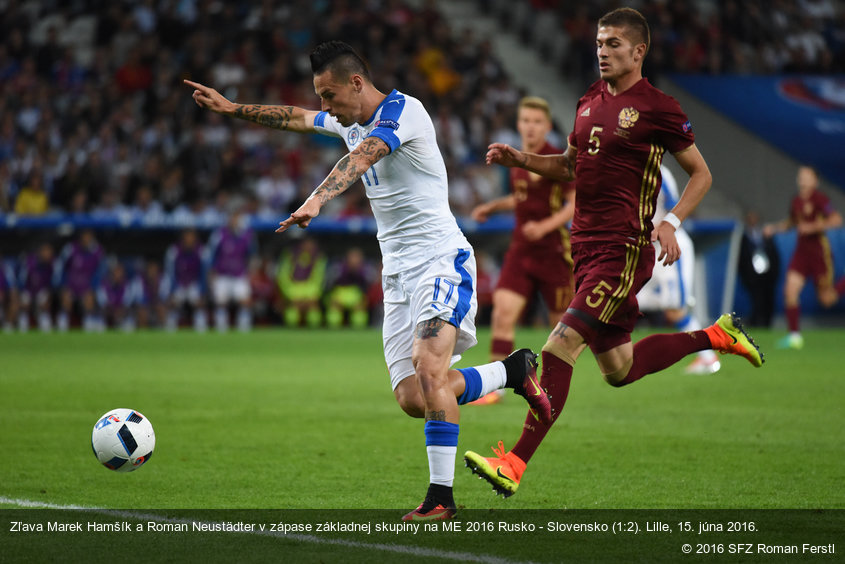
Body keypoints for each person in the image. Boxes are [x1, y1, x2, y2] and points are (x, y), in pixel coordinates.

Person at [185, 40, 552, 521]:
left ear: (356, 83)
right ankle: (511, 372)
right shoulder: (347, 117)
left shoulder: (405, 112)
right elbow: (296, 117)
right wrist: (233, 109)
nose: (325, 106)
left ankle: (441, 499)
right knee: (413, 397)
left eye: (329, 94)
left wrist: (318, 198)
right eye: (321, 96)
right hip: (398, 273)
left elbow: (366, 155)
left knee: (428, 366)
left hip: (441, 260)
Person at [464, 7, 764, 499]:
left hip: (622, 250)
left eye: (613, 44)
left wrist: (670, 221)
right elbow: (569, 167)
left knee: (558, 345)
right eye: (599, 43)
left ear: (638, 51)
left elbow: (701, 173)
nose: (602, 51)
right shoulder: (587, 101)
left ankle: (514, 463)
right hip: (584, 250)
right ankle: (717, 335)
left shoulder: (658, 107)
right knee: (619, 370)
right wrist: (522, 159)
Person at [469, 96, 576, 404]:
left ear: (546, 126)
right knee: (503, 313)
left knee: (562, 329)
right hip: (521, 251)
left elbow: (573, 204)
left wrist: (544, 227)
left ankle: (551, 386)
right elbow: (521, 198)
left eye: (536, 121)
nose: (530, 127)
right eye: (525, 121)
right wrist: (493, 206)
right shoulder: (515, 160)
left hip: (554, 253)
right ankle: (494, 388)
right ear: (518, 124)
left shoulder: (558, 161)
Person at [636, 165, 721, 374]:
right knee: (628, 303)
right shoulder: (622, 171)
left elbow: (674, 207)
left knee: (675, 310)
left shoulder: (658, 173)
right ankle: (619, 358)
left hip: (668, 245)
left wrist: (658, 229)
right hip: (644, 250)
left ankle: (709, 356)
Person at [763, 165, 845, 349]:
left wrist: (814, 226)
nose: (802, 179)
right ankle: (794, 337)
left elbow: (837, 220)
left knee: (827, 299)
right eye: (801, 176)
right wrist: (774, 229)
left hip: (818, 253)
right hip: (801, 252)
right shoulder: (797, 201)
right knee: (790, 291)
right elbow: (791, 223)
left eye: (807, 176)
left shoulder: (820, 199)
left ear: (815, 181)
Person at [207, 209, 257, 332]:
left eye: (237, 218)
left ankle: (244, 329)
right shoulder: (219, 234)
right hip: (222, 274)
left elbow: (253, 255)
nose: (234, 221)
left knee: (244, 301)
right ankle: (221, 329)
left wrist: (251, 270)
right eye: (232, 218)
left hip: (239, 274)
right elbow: (211, 254)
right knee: (221, 302)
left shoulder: (247, 235)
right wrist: (211, 272)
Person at [55, 229, 106, 332]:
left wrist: (93, 287)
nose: (87, 239)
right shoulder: (70, 248)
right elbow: (60, 266)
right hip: (71, 285)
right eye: (85, 236)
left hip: (87, 286)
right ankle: (62, 324)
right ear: (81, 237)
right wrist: (62, 285)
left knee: (90, 298)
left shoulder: (97, 251)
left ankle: (89, 323)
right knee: (66, 297)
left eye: (89, 237)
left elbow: (101, 270)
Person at [738, 210, 779, 327]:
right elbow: (741, 258)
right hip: (751, 275)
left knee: (768, 297)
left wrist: (774, 272)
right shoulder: (744, 237)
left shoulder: (766, 235)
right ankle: (756, 321)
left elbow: (775, 255)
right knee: (756, 298)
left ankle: (767, 322)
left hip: (768, 274)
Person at [162, 229, 208, 332]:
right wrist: (171, 292)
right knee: (173, 307)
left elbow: (204, 273)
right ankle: (169, 333)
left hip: (194, 284)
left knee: (199, 307)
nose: (189, 239)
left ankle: (202, 333)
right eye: (187, 237)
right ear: (183, 238)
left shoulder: (201, 250)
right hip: (178, 284)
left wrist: (203, 292)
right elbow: (169, 273)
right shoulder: (174, 250)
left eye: (191, 237)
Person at [276, 237, 327, 328]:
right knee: (293, 311)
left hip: (311, 290)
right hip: (293, 290)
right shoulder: (290, 256)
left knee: (313, 307)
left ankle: (314, 335)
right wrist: (290, 295)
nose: (308, 247)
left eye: (311, 245)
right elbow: (283, 278)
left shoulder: (319, 258)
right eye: (306, 244)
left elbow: (320, 279)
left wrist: (313, 296)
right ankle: (291, 334)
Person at [17, 242, 55, 332]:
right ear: (40, 252)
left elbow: (52, 282)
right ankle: (23, 326)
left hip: (41, 290)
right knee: (24, 301)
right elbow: (21, 280)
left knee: (44, 300)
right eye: (46, 251)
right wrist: (21, 295)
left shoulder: (52, 264)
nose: (49, 254)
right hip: (27, 289)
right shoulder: (29, 262)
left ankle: (45, 324)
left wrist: (49, 295)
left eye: (50, 252)